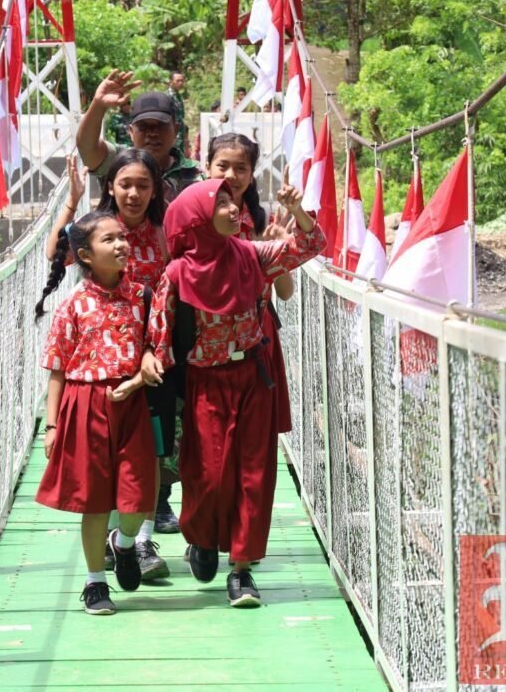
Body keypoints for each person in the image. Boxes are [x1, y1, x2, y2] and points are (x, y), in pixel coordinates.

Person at [142, 179, 325, 607]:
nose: (231, 207)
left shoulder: (251, 256)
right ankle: (203, 540)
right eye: (219, 203)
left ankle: (241, 570)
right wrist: (152, 360)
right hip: (205, 384)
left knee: (254, 475)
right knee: (207, 474)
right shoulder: (176, 274)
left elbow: (311, 244)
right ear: (196, 221)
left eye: (230, 200)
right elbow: (160, 334)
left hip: (252, 378)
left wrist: (297, 212)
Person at [45, 149, 180, 579]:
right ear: (111, 188)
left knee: (148, 470)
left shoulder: (162, 237)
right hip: (92, 395)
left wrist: (146, 360)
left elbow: (153, 324)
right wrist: (71, 202)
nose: (135, 192)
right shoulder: (79, 290)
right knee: (97, 492)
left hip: (147, 375)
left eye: (144, 184)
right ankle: (100, 574)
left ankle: (132, 544)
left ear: (155, 189)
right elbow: (57, 365)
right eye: (125, 183)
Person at [34, 210, 158, 615]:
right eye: (109, 240)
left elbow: (154, 348)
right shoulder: (73, 305)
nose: (121, 244)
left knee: (139, 495)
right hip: (84, 403)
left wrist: (141, 376)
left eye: (122, 237)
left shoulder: (142, 296)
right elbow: (57, 368)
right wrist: (52, 425)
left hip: (131, 402)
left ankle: (123, 544)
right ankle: (94, 583)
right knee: (95, 501)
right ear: (86, 255)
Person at [207, 133, 294, 435]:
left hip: (257, 331)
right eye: (223, 165)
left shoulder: (262, 224)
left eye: (241, 167)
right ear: (208, 168)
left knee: (254, 434)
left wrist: (276, 252)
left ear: (252, 173)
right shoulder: (193, 220)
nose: (231, 175)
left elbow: (285, 292)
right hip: (207, 336)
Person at [76, 70, 203, 203]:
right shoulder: (119, 160)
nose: (153, 133)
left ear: (175, 130)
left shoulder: (195, 173)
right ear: (131, 132)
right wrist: (98, 105)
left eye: (161, 126)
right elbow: (87, 147)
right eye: (143, 127)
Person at [166, 71, 188, 154]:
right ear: (171, 82)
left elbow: (181, 117)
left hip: (180, 133)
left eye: (182, 80)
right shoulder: (168, 96)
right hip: (173, 134)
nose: (181, 83)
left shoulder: (178, 95)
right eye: (178, 81)